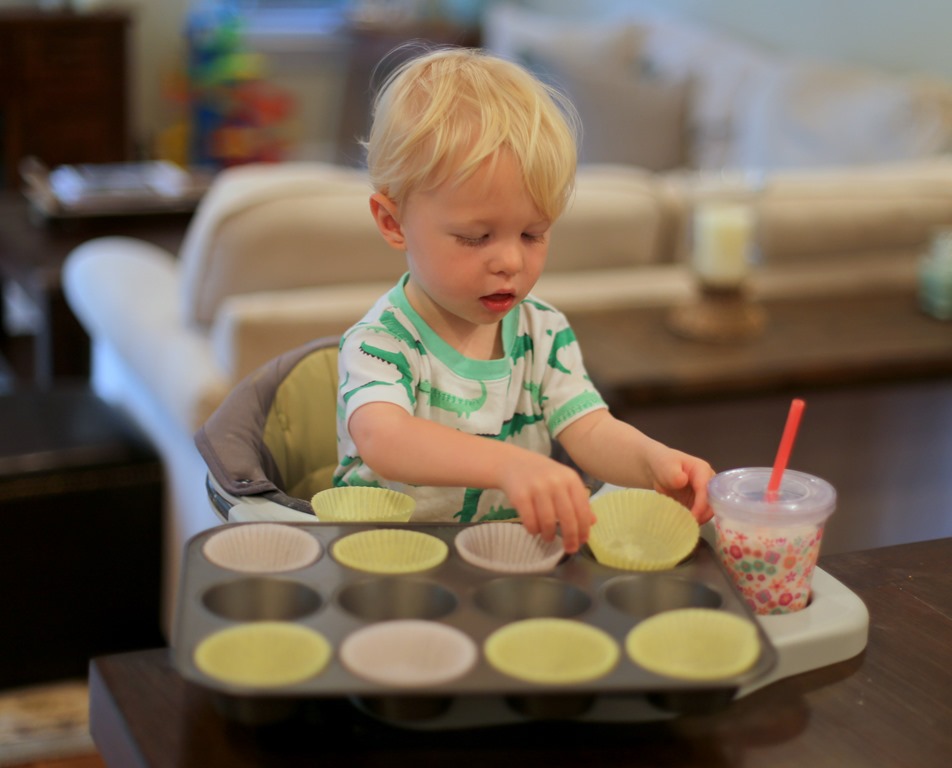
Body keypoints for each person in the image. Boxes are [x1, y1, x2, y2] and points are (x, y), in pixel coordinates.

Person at [334, 46, 714, 554]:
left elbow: (588, 428)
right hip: (389, 557)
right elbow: (386, 440)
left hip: (507, 554)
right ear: (392, 221)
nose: (511, 261)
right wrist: (509, 465)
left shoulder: (543, 331)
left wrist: (653, 462)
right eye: (475, 237)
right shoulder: (379, 342)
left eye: (533, 234)